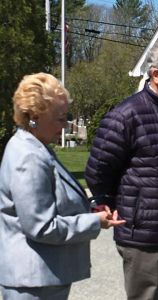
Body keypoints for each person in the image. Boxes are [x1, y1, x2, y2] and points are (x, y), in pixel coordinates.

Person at [85, 40, 158, 300]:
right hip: (144, 235)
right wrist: (104, 200)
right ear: (155, 74)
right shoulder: (127, 115)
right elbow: (98, 168)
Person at [0, 73, 125, 300]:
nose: (65, 125)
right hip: (33, 282)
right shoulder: (28, 156)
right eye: (59, 118)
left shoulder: (36, 147)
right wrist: (94, 221)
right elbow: (41, 227)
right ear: (35, 116)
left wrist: (88, 210)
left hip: (41, 278)